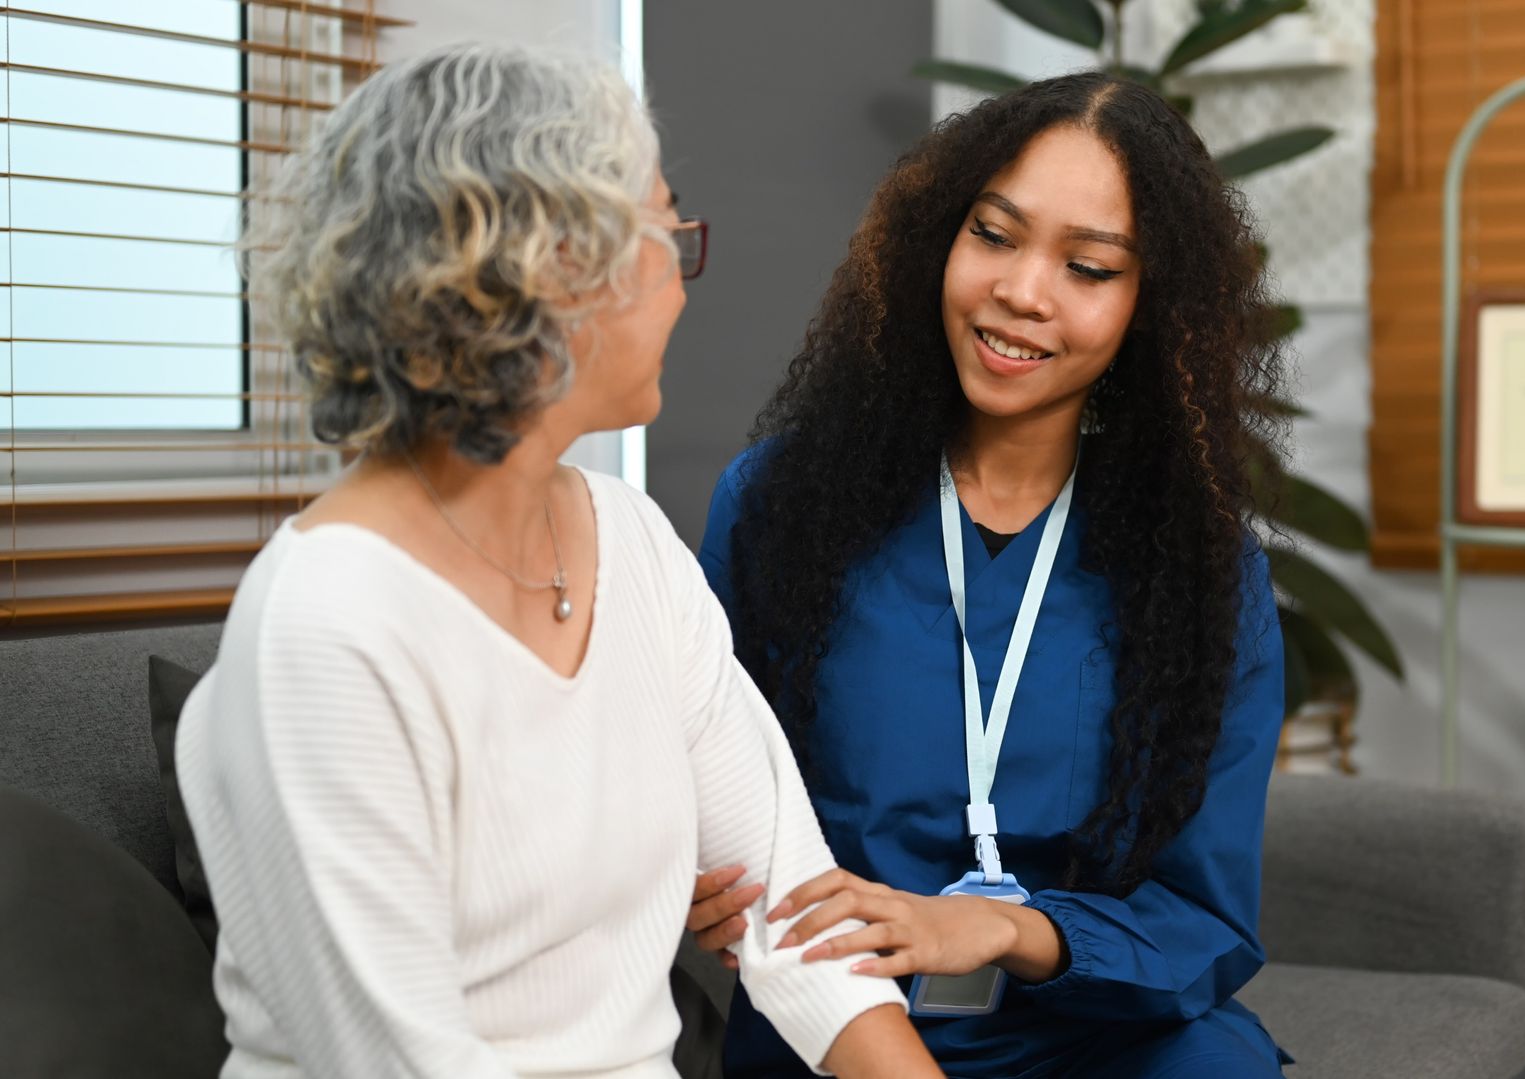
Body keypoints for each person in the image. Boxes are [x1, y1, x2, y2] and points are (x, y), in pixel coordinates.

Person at [175, 43, 941, 1079]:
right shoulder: (325, 625)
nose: (681, 279)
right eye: (667, 230)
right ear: (551, 271)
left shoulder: (631, 544)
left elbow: (805, 924)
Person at [690, 72, 1293, 1077]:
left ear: (1150, 307)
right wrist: (699, 874)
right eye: (995, 235)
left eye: (1089, 267)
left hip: (1101, 1034)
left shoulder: (1203, 572)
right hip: (845, 1023)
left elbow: (1204, 919)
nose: (1022, 291)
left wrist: (1008, 933)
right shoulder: (778, 504)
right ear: (941, 240)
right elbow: (700, 791)